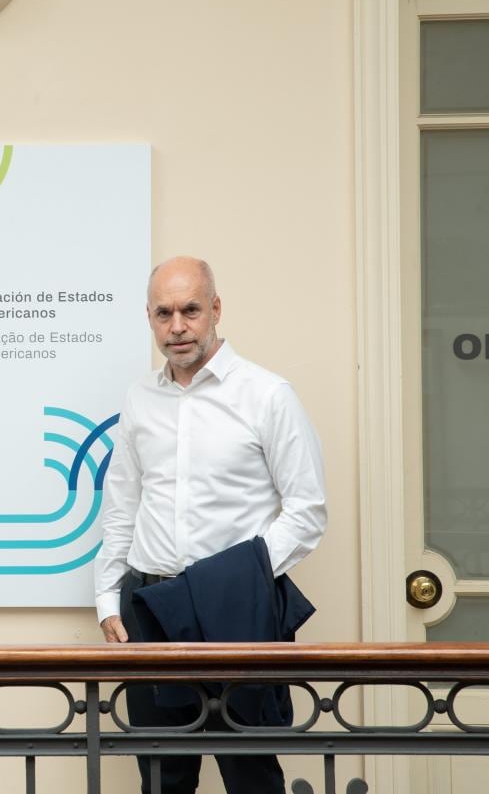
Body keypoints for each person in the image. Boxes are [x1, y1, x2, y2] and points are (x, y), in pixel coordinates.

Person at [94, 256, 327, 794]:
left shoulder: (268, 394)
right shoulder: (140, 398)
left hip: (235, 612)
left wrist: (238, 578)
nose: (177, 326)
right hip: (150, 607)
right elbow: (123, 504)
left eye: (191, 310)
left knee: (251, 774)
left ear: (216, 309)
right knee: (162, 776)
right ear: (149, 318)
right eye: (164, 313)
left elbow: (307, 509)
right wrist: (108, 598)